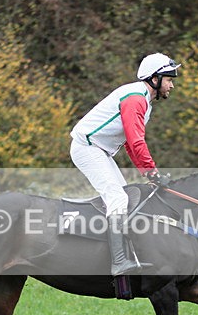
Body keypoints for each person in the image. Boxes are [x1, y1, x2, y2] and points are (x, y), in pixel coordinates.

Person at [70, 53, 180, 277]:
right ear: (155, 79)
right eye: (169, 80)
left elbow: (131, 143)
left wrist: (149, 174)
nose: (172, 85)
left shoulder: (144, 102)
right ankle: (118, 262)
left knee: (126, 199)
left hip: (100, 151)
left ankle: (122, 254)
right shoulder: (136, 99)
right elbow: (137, 142)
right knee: (118, 199)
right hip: (87, 148)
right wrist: (153, 172)